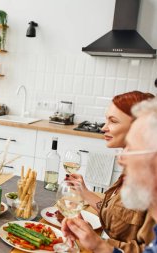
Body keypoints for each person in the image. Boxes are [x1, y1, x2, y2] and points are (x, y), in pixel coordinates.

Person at [62, 97, 157, 253]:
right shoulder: (134, 173)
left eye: (113, 121)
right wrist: (84, 193)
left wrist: (99, 243)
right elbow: (113, 213)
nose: (120, 159)